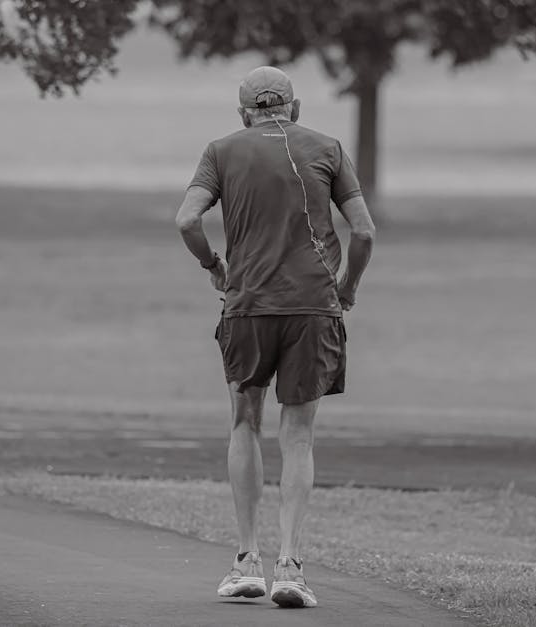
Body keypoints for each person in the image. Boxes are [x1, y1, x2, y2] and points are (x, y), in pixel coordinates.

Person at [175, 66, 375, 609]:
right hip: (313, 308)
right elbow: (363, 230)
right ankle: (290, 566)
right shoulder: (328, 148)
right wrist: (347, 287)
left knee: (244, 421)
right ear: (296, 108)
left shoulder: (221, 151)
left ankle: (246, 561)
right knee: (300, 435)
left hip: (247, 307)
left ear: (243, 113)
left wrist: (215, 266)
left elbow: (187, 219)